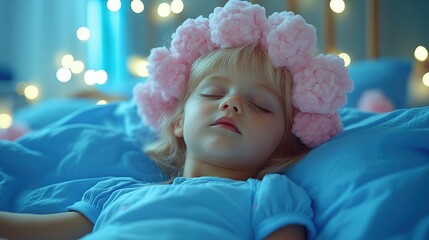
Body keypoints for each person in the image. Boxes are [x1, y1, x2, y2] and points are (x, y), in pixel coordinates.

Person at [0, 0, 353, 239]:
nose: (231, 104)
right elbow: (36, 230)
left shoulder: (270, 195)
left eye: (260, 104)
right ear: (179, 122)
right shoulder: (116, 193)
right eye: (214, 94)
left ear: (282, 143)